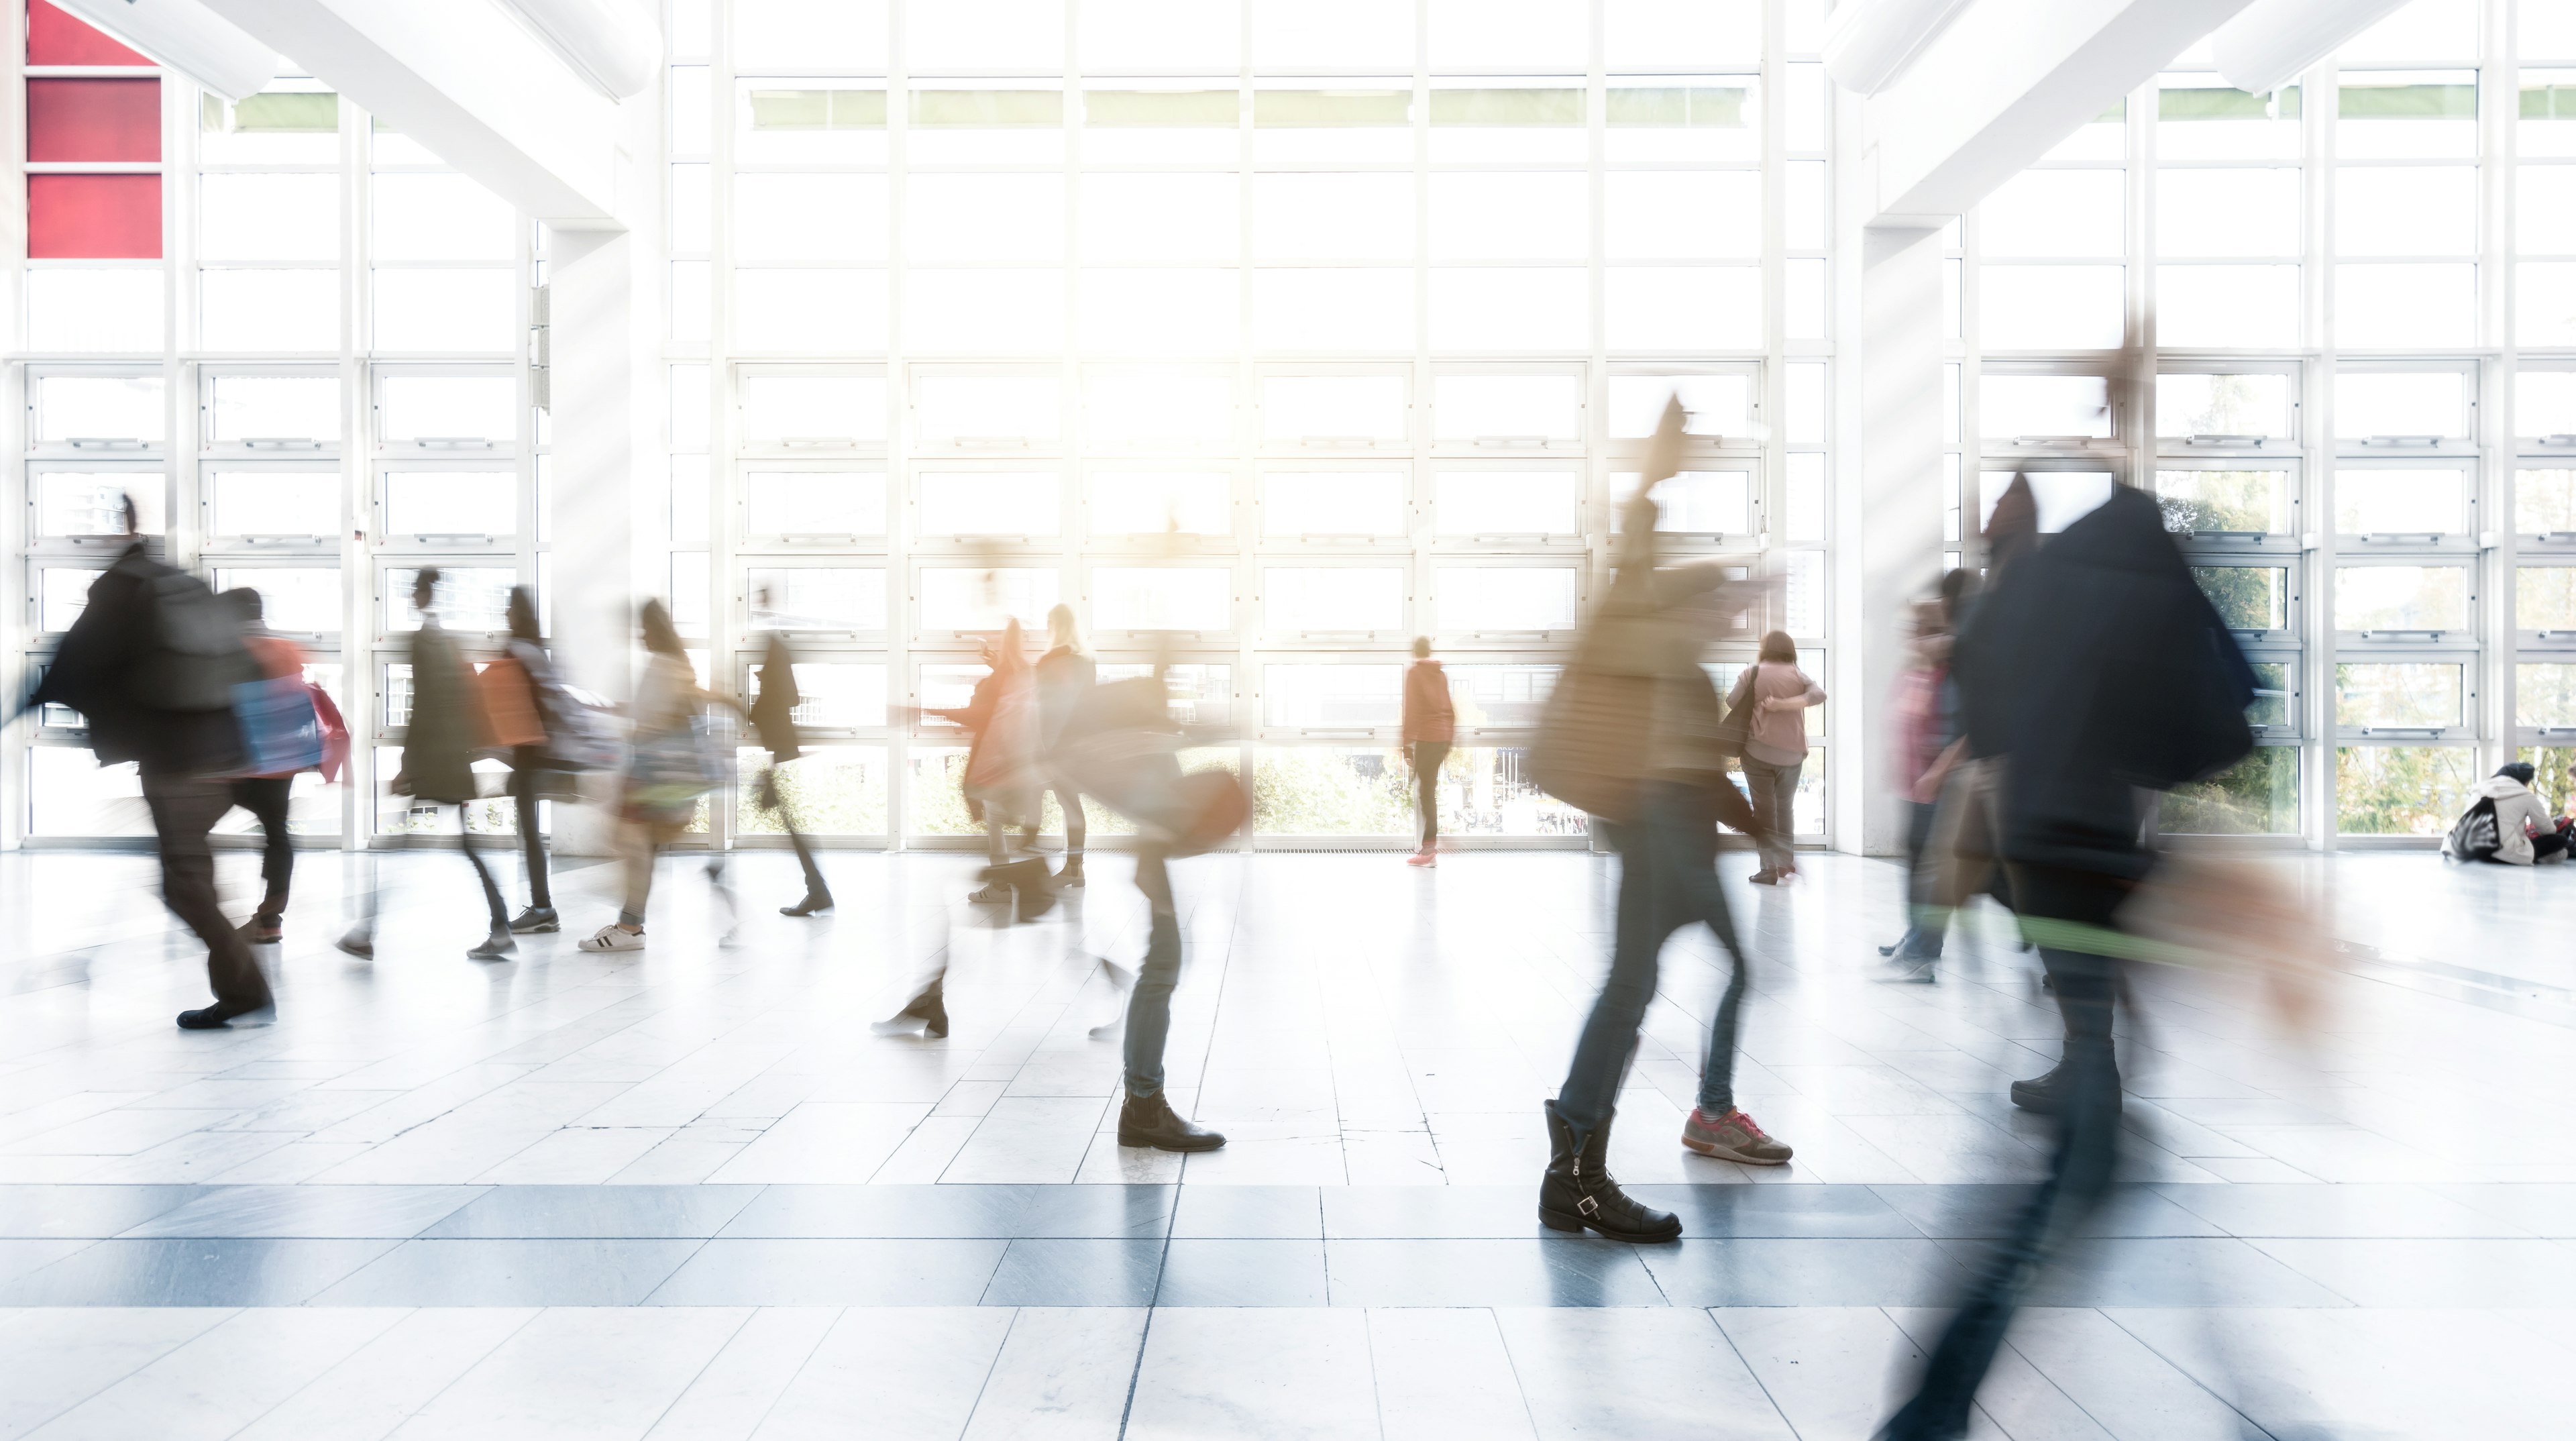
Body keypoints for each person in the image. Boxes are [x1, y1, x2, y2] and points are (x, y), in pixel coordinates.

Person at [1877, 483, 2255, 1441]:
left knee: (2099, 1138)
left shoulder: (2019, 598)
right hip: (2097, 862)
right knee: (2090, 1158)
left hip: (2046, 864)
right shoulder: (2124, 569)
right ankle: (1935, 1407)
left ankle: (1939, 1403)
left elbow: (1991, 718)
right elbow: (2219, 712)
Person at [1532, 398, 1786, 1244]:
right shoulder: (1646, 637)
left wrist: (1755, 828)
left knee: (1641, 985)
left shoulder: (1682, 677)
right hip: (1657, 827)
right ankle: (1594, 1167)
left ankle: (1585, 1169)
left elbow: (1701, 770)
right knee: (1644, 987)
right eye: (1717, 604)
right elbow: (1633, 554)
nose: (1727, 614)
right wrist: (1652, 475)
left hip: (1674, 828)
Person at [24, 498, 273, 1028]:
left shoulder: (120, 587)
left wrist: (24, 705)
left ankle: (244, 988)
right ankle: (239, 988)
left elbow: (74, 660)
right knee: (191, 878)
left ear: (122, 533)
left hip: (176, 760)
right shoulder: (181, 582)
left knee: (184, 883)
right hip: (224, 754)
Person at [342, 568, 515, 961]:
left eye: (414, 590)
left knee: (400, 842)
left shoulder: (425, 641)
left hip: (436, 760)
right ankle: (500, 927)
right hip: (452, 758)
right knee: (461, 846)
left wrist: (408, 764)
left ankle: (365, 932)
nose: (412, 596)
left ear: (422, 594)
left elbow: (425, 707)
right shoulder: (447, 641)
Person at [580, 599, 738, 951]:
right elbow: (664, 710)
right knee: (640, 849)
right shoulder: (680, 664)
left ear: (655, 631)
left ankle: (630, 926)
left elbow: (651, 718)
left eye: (645, 629)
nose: (640, 636)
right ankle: (631, 924)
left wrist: (615, 725)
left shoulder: (664, 665)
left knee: (629, 845)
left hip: (651, 774)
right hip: (667, 776)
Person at [219, 586, 345, 946]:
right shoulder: (286, 650)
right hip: (281, 763)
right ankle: (271, 918)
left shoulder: (228, 651)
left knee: (193, 829)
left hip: (237, 762)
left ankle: (211, 908)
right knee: (277, 833)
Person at [926, 620, 1052, 920]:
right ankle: (1028, 880)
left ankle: (1000, 885)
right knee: (1025, 824)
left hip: (1000, 761)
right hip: (1028, 760)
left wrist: (935, 710)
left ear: (1002, 643)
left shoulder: (1002, 678)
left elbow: (981, 715)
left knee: (995, 820)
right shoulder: (1030, 673)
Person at [1878, 600, 1956, 979]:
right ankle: (1916, 936)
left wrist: (1936, 772)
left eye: (1919, 629)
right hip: (1912, 788)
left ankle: (1926, 943)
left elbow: (1957, 732)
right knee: (1914, 868)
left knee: (1934, 873)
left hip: (1941, 789)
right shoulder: (1911, 673)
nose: (1911, 636)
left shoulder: (1948, 675)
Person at [749, 586, 835, 916]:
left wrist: (756, 707)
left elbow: (787, 696)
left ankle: (818, 891)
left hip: (780, 749)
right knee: (789, 822)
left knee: (790, 823)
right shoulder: (775, 646)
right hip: (779, 749)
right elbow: (790, 696)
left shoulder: (774, 646)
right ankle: (817, 890)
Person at [1730, 630, 1825, 884]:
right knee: (1785, 809)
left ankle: (1768, 868)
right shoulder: (1797, 674)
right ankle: (1785, 864)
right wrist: (1789, 704)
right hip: (1793, 755)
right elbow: (1819, 695)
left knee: (1764, 812)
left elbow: (1731, 701)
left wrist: (1767, 704)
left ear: (1765, 649)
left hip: (1757, 751)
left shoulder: (1753, 673)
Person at [496, 586, 564, 933]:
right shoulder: (538, 651)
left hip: (526, 750)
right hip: (540, 749)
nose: (506, 614)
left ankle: (542, 907)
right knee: (530, 830)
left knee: (530, 832)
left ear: (517, 613)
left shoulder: (515, 650)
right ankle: (542, 906)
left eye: (509, 608)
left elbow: (505, 701)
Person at [1034, 604, 1097, 888]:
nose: (1047, 630)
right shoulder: (1087, 661)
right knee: (1072, 806)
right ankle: (1076, 867)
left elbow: (1039, 705)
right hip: (1081, 743)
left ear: (1056, 626)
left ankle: (1073, 868)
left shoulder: (1049, 661)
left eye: (1049, 624)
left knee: (1062, 804)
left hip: (1056, 745)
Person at [2446, 761, 2567, 864]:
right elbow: (2549, 830)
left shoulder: (2478, 790)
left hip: (2463, 850)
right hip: (2500, 855)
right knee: (2560, 840)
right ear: (2524, 781)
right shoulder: (2526, 796)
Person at [1401, 636, 1454, 867]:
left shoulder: (1415, 673)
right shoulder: (1440, 674)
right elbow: (1449, 708)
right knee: (1427, 791)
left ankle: (1428, 851)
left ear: (1414, 652)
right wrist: (1449, 741)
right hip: (1442, 738)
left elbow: (1412, 710)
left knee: (1426, 793)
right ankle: (1428, 849)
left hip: (1427, 738)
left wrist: (1406, 745)